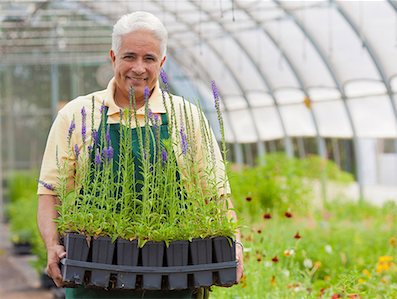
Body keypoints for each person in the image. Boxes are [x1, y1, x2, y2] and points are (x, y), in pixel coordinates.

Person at [37, 11, 244, 298]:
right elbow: (50, 192)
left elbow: (216, 195)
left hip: (173, 279)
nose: (138, 68)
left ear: (162, 62)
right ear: (112, 57)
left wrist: (235, 244)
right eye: (129, 56)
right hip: (94, 280)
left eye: (149, 59)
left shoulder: (187, 117)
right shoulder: (76, 115)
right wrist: (52, 245)